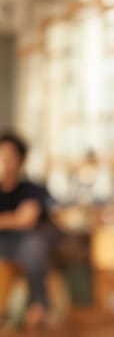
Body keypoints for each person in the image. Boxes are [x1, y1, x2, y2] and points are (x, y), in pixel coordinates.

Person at [0, 131, 56, 330]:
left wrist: (13, 220)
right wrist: (12, 219)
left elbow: (26, 220)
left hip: (24, 244)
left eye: (10, 157)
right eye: (2, 156)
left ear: (21, 160)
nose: (5, 162)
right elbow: (19, 218)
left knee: (34, 247)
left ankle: (39, 305)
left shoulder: (31, 188)